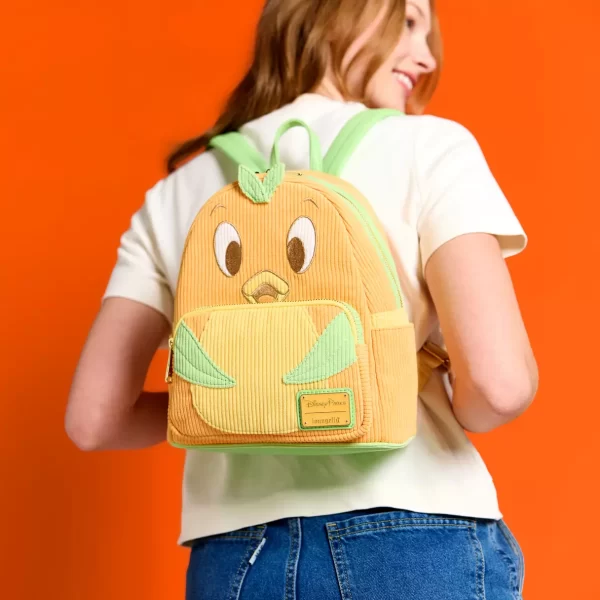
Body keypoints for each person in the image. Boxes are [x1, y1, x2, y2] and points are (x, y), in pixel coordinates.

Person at [65, 0, 538, 598]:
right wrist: (381, 389)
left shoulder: (178, 191)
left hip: (234, 558)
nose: (426, 58)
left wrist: (240, 400)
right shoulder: (431, 147)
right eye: (409, 20)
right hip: (412, 538)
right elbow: (499, 386)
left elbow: (94, 420)